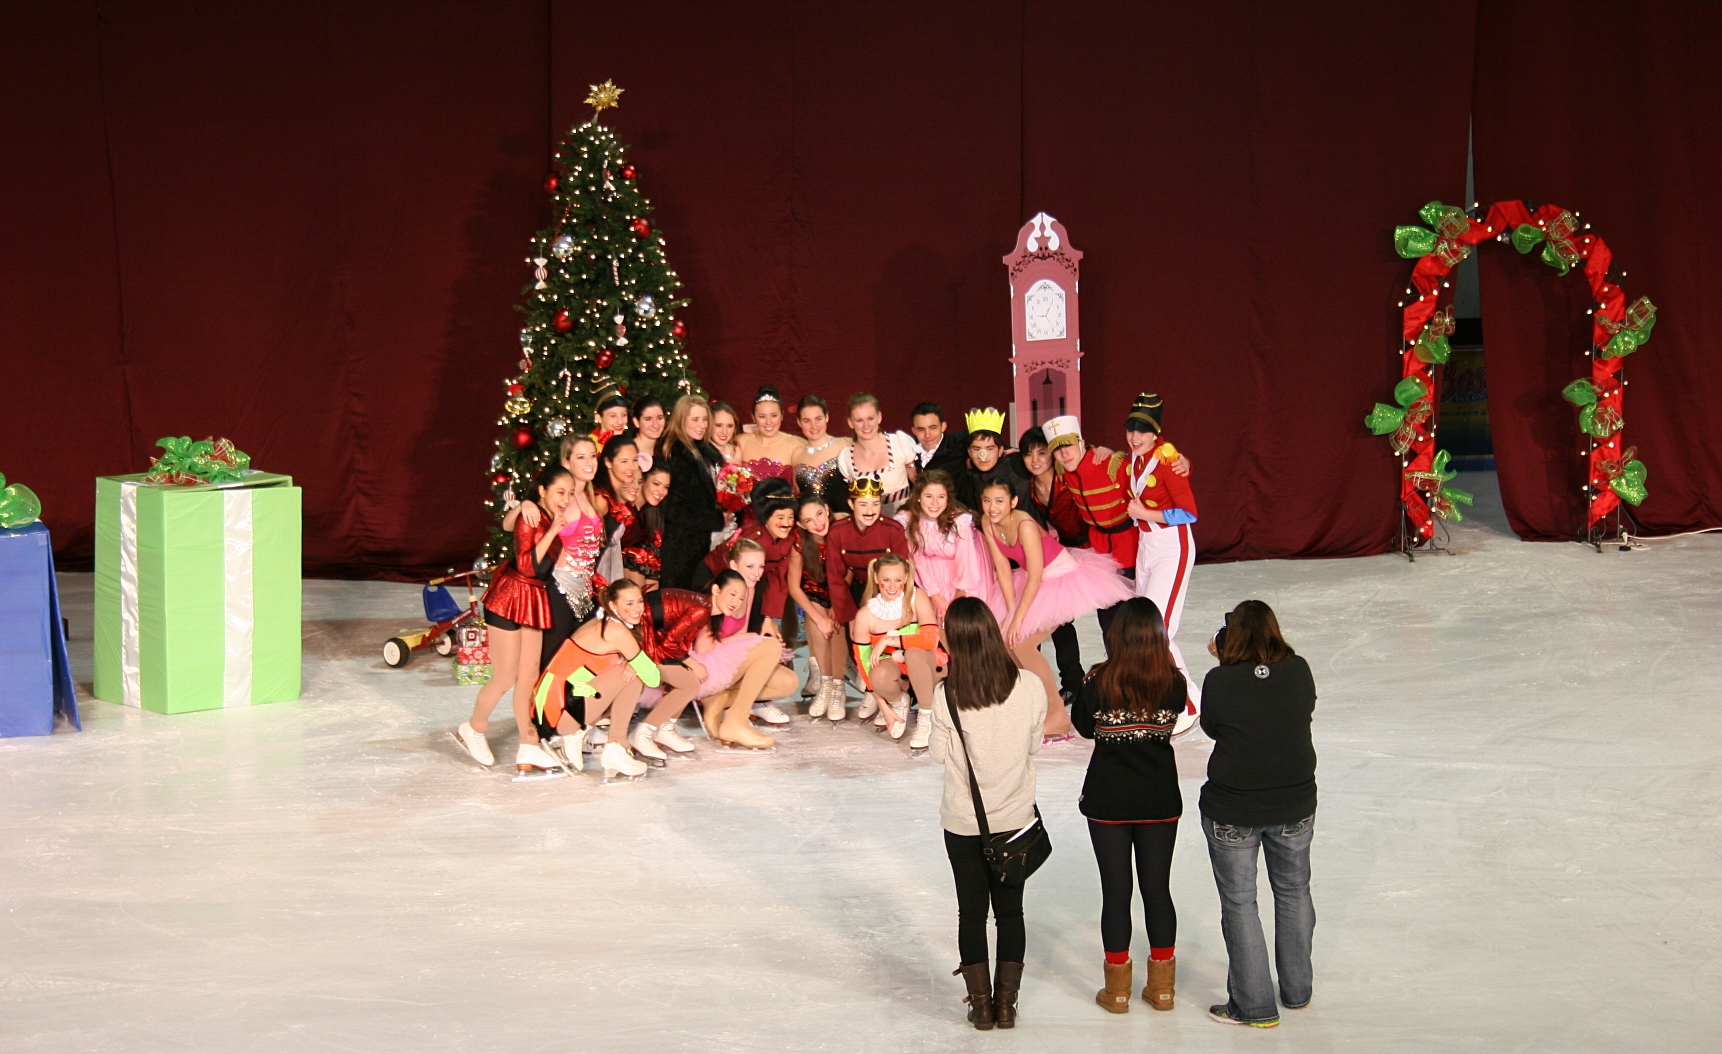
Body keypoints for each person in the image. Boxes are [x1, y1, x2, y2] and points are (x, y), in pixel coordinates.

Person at [928, 597, 1048, 1032]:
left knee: (971, 913)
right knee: (1011, 913)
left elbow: (937, 753)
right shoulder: (1031, 687)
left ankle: (980, 1006)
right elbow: (1034, 746)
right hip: (1015, 821)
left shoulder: (948, 695)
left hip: (963, 823)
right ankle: (1006, 1006)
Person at [1199, 600, 1317, 1029]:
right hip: (1294, 804)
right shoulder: (1299, 668)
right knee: (1294, 891)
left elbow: (1212, 727)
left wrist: (1226, 666)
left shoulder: (1219, 679)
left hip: (1234, 805)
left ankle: (1254, 1006)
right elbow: (1302, 710)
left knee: (1240, 902)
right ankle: (1297, 991)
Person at [1075, 598, 1186, 1015]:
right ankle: (1162, 989)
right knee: (1158, 890)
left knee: (1116, 893)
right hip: (1159, 799)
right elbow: (1175, 716)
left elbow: (1085, 728)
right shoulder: (1171, 681)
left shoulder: (1098, 680)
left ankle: (1117, 990)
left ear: (1116, 636)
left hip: (1108, 801)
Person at [977, 479, 1133, 740]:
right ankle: (1032, 706)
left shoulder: (1025, 525)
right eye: (987, 500)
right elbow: (1003, 569)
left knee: (1022, 644)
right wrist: (1010, 611)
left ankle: (1058, 714)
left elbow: (1037, 577)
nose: (993, 507)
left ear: (1013, 502)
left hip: (1059, 579)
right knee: (1005, 641)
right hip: (1029, 580)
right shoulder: (987, 521)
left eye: (999, 501)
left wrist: (1017, 618)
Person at [456, 464, 575, 778]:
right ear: (542, 491)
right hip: (510, 598)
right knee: (506, 675)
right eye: (560, 492)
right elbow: (526, 566)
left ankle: (528, 743)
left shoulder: (549, 517)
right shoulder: (531, 516)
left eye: (571, 493)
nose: (566, 498)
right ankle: (473, 728)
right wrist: (548, 529)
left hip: (534, 598)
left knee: (529, 676)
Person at [1120, 392, 1200, 730]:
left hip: (1172, 547)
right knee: (1143, 627)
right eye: (1131, 430)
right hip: (1147, 547)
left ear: (1156, 433)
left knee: (1159, 630)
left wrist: (1145, 512)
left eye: (1143, 431)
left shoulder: (1167, 460)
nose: (1135, 437)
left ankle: (1188, 705)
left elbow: (1189, 513)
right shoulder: (1134, 460)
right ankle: (1159, 695)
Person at [531, 581, 661, 780]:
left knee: (626, 673)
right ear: (613, 605)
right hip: (559, 713)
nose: (637, 609)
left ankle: (581, 736)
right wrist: (634, 664)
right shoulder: (617, 631)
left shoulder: (599, 621)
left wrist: (632, 663)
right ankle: (615, 749)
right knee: (632, 679)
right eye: (629, 604)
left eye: (640, 602)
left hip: (551, 709)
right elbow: (653, 679)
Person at [823, 478, 912, 725]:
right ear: (851, 504)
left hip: (890, 588)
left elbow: (900, 573)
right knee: (847, 631)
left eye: (875, 503)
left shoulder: (893, 530)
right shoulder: (838, 531)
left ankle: (884, 690)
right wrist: (851, 616)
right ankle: (860, 687)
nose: (870, 510)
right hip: (857, 587)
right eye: (863, 504)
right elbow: (835, 575)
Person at [1015, 426, 1087, 705]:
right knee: (1049, 616)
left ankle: (1075, 681)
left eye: (1042, 453)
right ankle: (1052, 680)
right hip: (1056, 553)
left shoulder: (1067, 477)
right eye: (1027, 454)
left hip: (1086, 548)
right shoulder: (1029, 486)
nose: (1035, 460)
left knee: (1064, 619)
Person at [690, 568, 800, 749]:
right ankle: (737, 719)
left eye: (740, 598)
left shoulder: (743, 598)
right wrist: (750, 639)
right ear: (717, 589)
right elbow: (703, 649)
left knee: (789, 682)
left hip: (728, 666)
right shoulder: (705, 607)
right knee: (768, 646)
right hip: (705, 669)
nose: (736, 601)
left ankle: (721, 700)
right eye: (732, 594)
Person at [848, 553, 942, 746]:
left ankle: (926, 715)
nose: (892, 586)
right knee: (878, 673)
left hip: (930, 667)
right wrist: (884, 706)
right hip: (899, 674)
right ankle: (899, 702)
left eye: (898, 580)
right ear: (876, 578)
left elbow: (931, 640)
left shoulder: (918, 597)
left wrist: (890, 640)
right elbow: (864, 665)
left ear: (906, 578)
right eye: (886, 580)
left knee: (914, 653)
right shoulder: (866, 615)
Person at [897, 469, 1004, 625]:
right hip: (930, 582)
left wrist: (959, 596)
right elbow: (916, 560)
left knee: (962, 623)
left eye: (941, 497)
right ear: (918, 497)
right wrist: (934, 595)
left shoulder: (959, 523)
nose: (935, 503)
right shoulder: (910, 521)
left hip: (963, 582)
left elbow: (966, 561)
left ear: (948, 498)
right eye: (928, 496)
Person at [657, 394, 726, 590]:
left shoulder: (704, 451)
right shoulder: (675, 455)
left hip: (700, 544)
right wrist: (717, 519)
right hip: (681, 548)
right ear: (681, 420)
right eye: (695, 419)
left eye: (705, 419)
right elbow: (673, 509)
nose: (702, 425)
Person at [786, 495, 846, 721]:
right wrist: (818, 618)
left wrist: (839, 603)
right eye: (809, 520)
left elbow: (848, 572)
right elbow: (794, 587)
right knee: (819, 623)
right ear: (801, 525)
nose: (818, 522)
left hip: (840, 592)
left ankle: (838, 687)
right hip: (814, 595)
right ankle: (826, 683)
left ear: (827, 509)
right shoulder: (800, 544)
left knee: (838, 623)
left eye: (819, 514)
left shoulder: (841, 531)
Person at [837, 392, 919, 516]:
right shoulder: (846, 458)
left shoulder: (899, 443)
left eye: (870, 418)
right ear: (850, 422)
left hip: (907, 519)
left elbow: (919, 483)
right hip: (870, 526)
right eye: (859, 420)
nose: (866, 425)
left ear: (879, 417)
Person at [952, 407, 1032, 513]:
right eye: (977, 449)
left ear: (1000, 450)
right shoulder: (967, 477)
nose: (983, 455)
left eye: (990, 449)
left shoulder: (1017, 463)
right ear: (969, 452)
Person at [791, 394, 853, 514]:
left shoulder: (845, 444)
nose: (814, 426)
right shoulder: (796, 455)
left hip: (845, 525)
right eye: (807, 421)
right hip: (812, 528)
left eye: (818, 419)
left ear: (827, 417)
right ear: (799, 422)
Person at [736, 384, 801, 484]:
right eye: (762, 417)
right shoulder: (741, 442)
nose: (768, 422)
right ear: (753, 417)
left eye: (774, 416)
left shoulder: (796, 444)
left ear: (782, 415)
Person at [622, 464, 671, 591]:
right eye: (656, 484)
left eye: (666, 487)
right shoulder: (624, 510)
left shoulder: (652, 516)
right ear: (642, 481)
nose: (661, 491)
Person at [908, 401, 970, 475]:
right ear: (914, 431)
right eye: (921, 429)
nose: (927, 435)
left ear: (943, 426)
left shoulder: (958, 443)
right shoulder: (909, 452)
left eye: (933, 428)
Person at [630, 395, 667, 472]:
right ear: (636, 422)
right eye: (648, 419)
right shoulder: (629, 452)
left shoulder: (666, 452)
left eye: (660, 418)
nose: (655, 425)